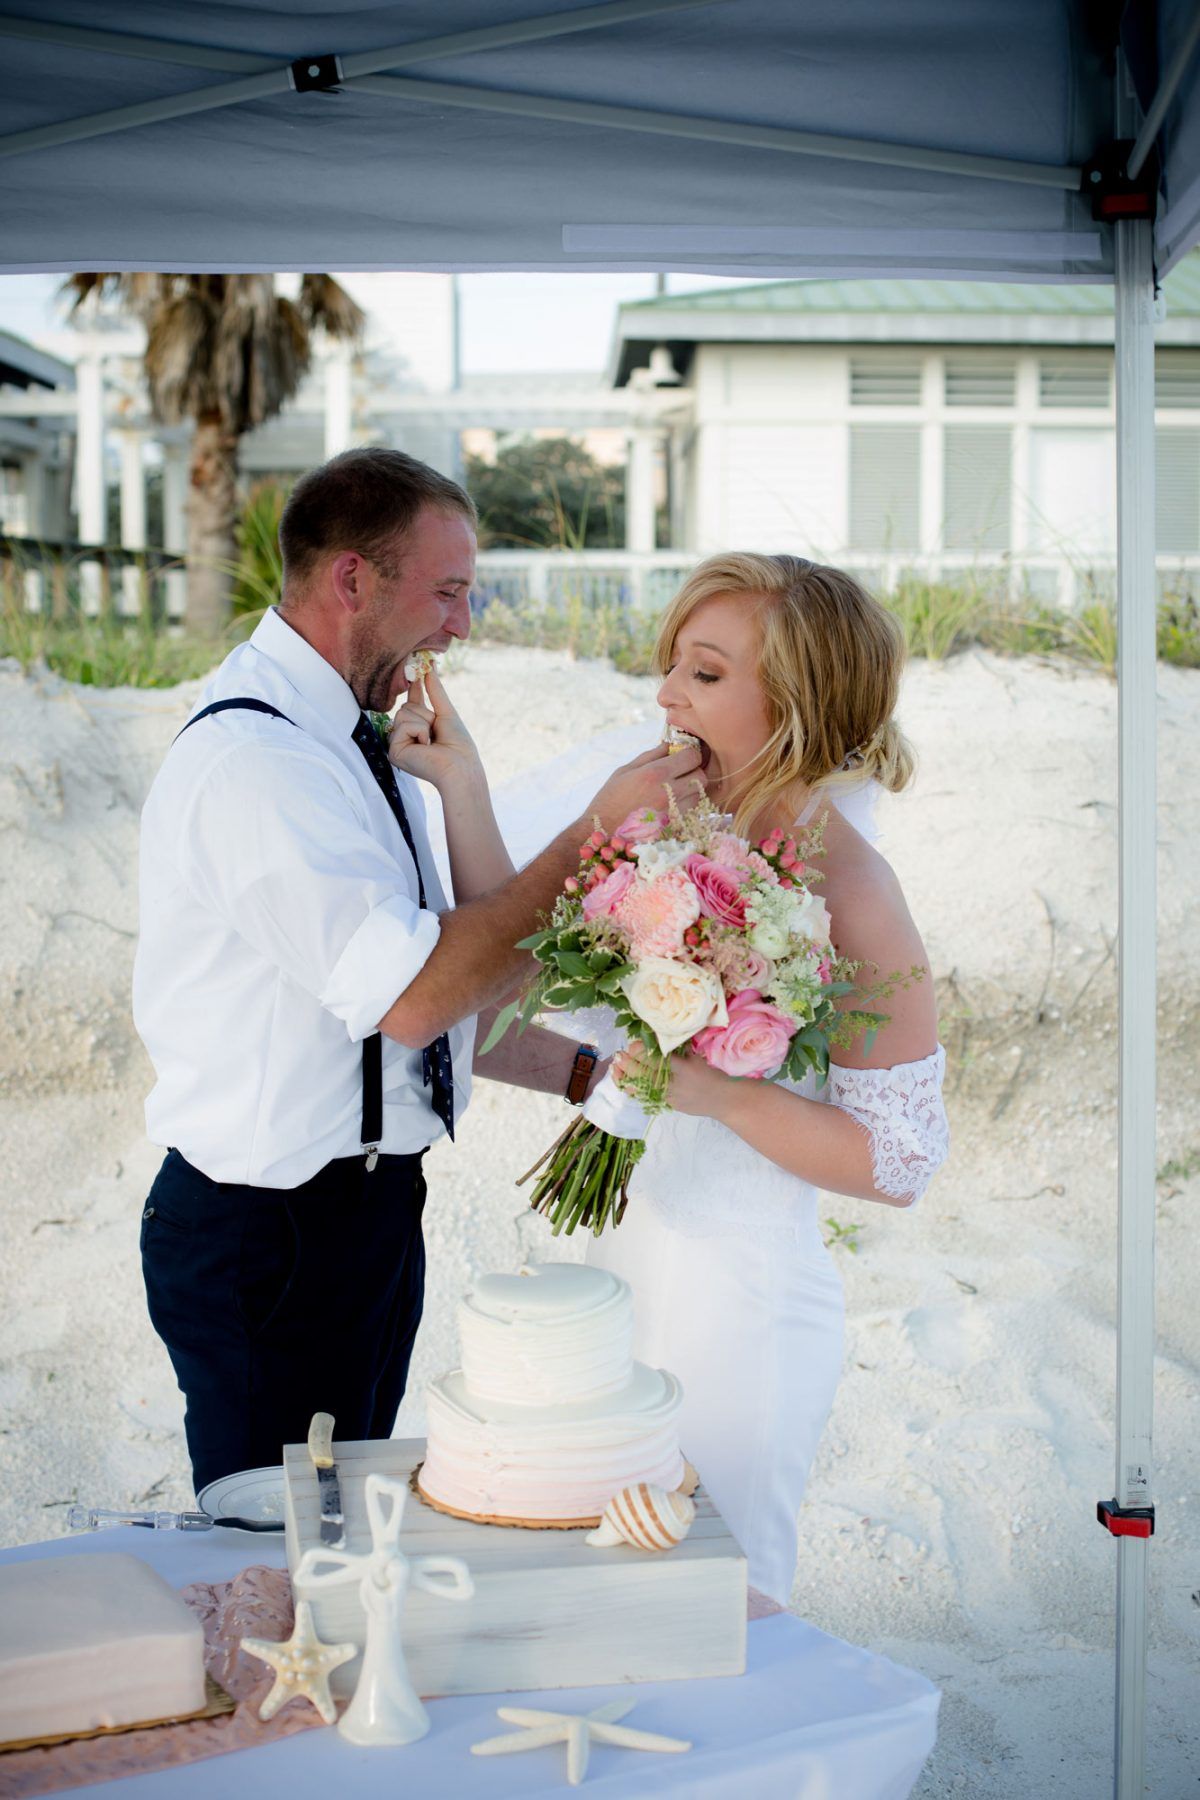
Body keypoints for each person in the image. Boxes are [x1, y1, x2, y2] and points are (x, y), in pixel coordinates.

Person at [132, 446, 705, 1496]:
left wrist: (591, 1081)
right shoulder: (260, 765)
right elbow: (414, 997)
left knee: (333, 1520)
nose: (465, 623)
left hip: (363, 1217)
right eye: (447, 590)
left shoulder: (348, 740)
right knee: (275, 1551)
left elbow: (448, 993)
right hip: (270, 1235)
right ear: (354, 578)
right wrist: (597, 835)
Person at [584, 551, 949, 1606]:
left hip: (736, 1308)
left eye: (702, 674)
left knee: (712, 1610)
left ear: (793, 702)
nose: (663, 695)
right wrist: (463, 782)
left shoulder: (851, 885)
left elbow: (902, 1159)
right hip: (627, 1256)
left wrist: (714, 1090)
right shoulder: (676, 826)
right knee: (607, 1586)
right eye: (671, 666)